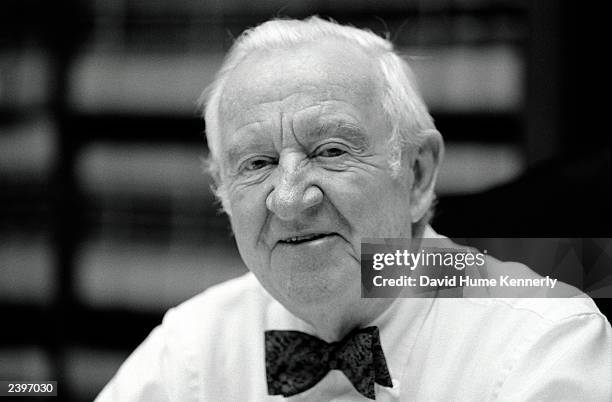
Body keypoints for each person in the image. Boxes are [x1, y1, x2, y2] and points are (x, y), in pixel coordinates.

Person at [96, 17, 612, 401]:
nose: (292, 199)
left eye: (332, 152)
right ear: (223, 195)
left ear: (416, 174)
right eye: (257, 163)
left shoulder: (546, 345)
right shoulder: (193, 347)